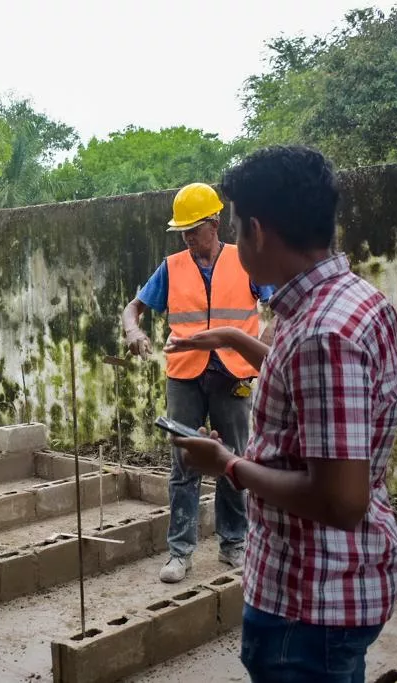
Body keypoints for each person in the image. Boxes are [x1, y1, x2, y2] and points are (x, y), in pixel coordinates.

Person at [168, 145, 397, 682]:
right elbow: (310, 387)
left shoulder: (323, 333)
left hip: (309, 600)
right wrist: (231, 337)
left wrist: (227, 463)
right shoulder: (353, 302)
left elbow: (340, 501)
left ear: (256, 229)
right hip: (333, 586)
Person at [121, 182, 274, 583]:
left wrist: (261, 347)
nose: (189, 239)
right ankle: (180, 552)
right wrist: (134, 333)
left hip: (233, 374)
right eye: (183, 232)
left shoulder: (246, 261)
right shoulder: (172, 267)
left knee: (234, 460)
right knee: (183, 463)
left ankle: (233, 544)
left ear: (215, 223)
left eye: (194, 230)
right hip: (185, 375)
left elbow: (282, 307)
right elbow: (133, 308)